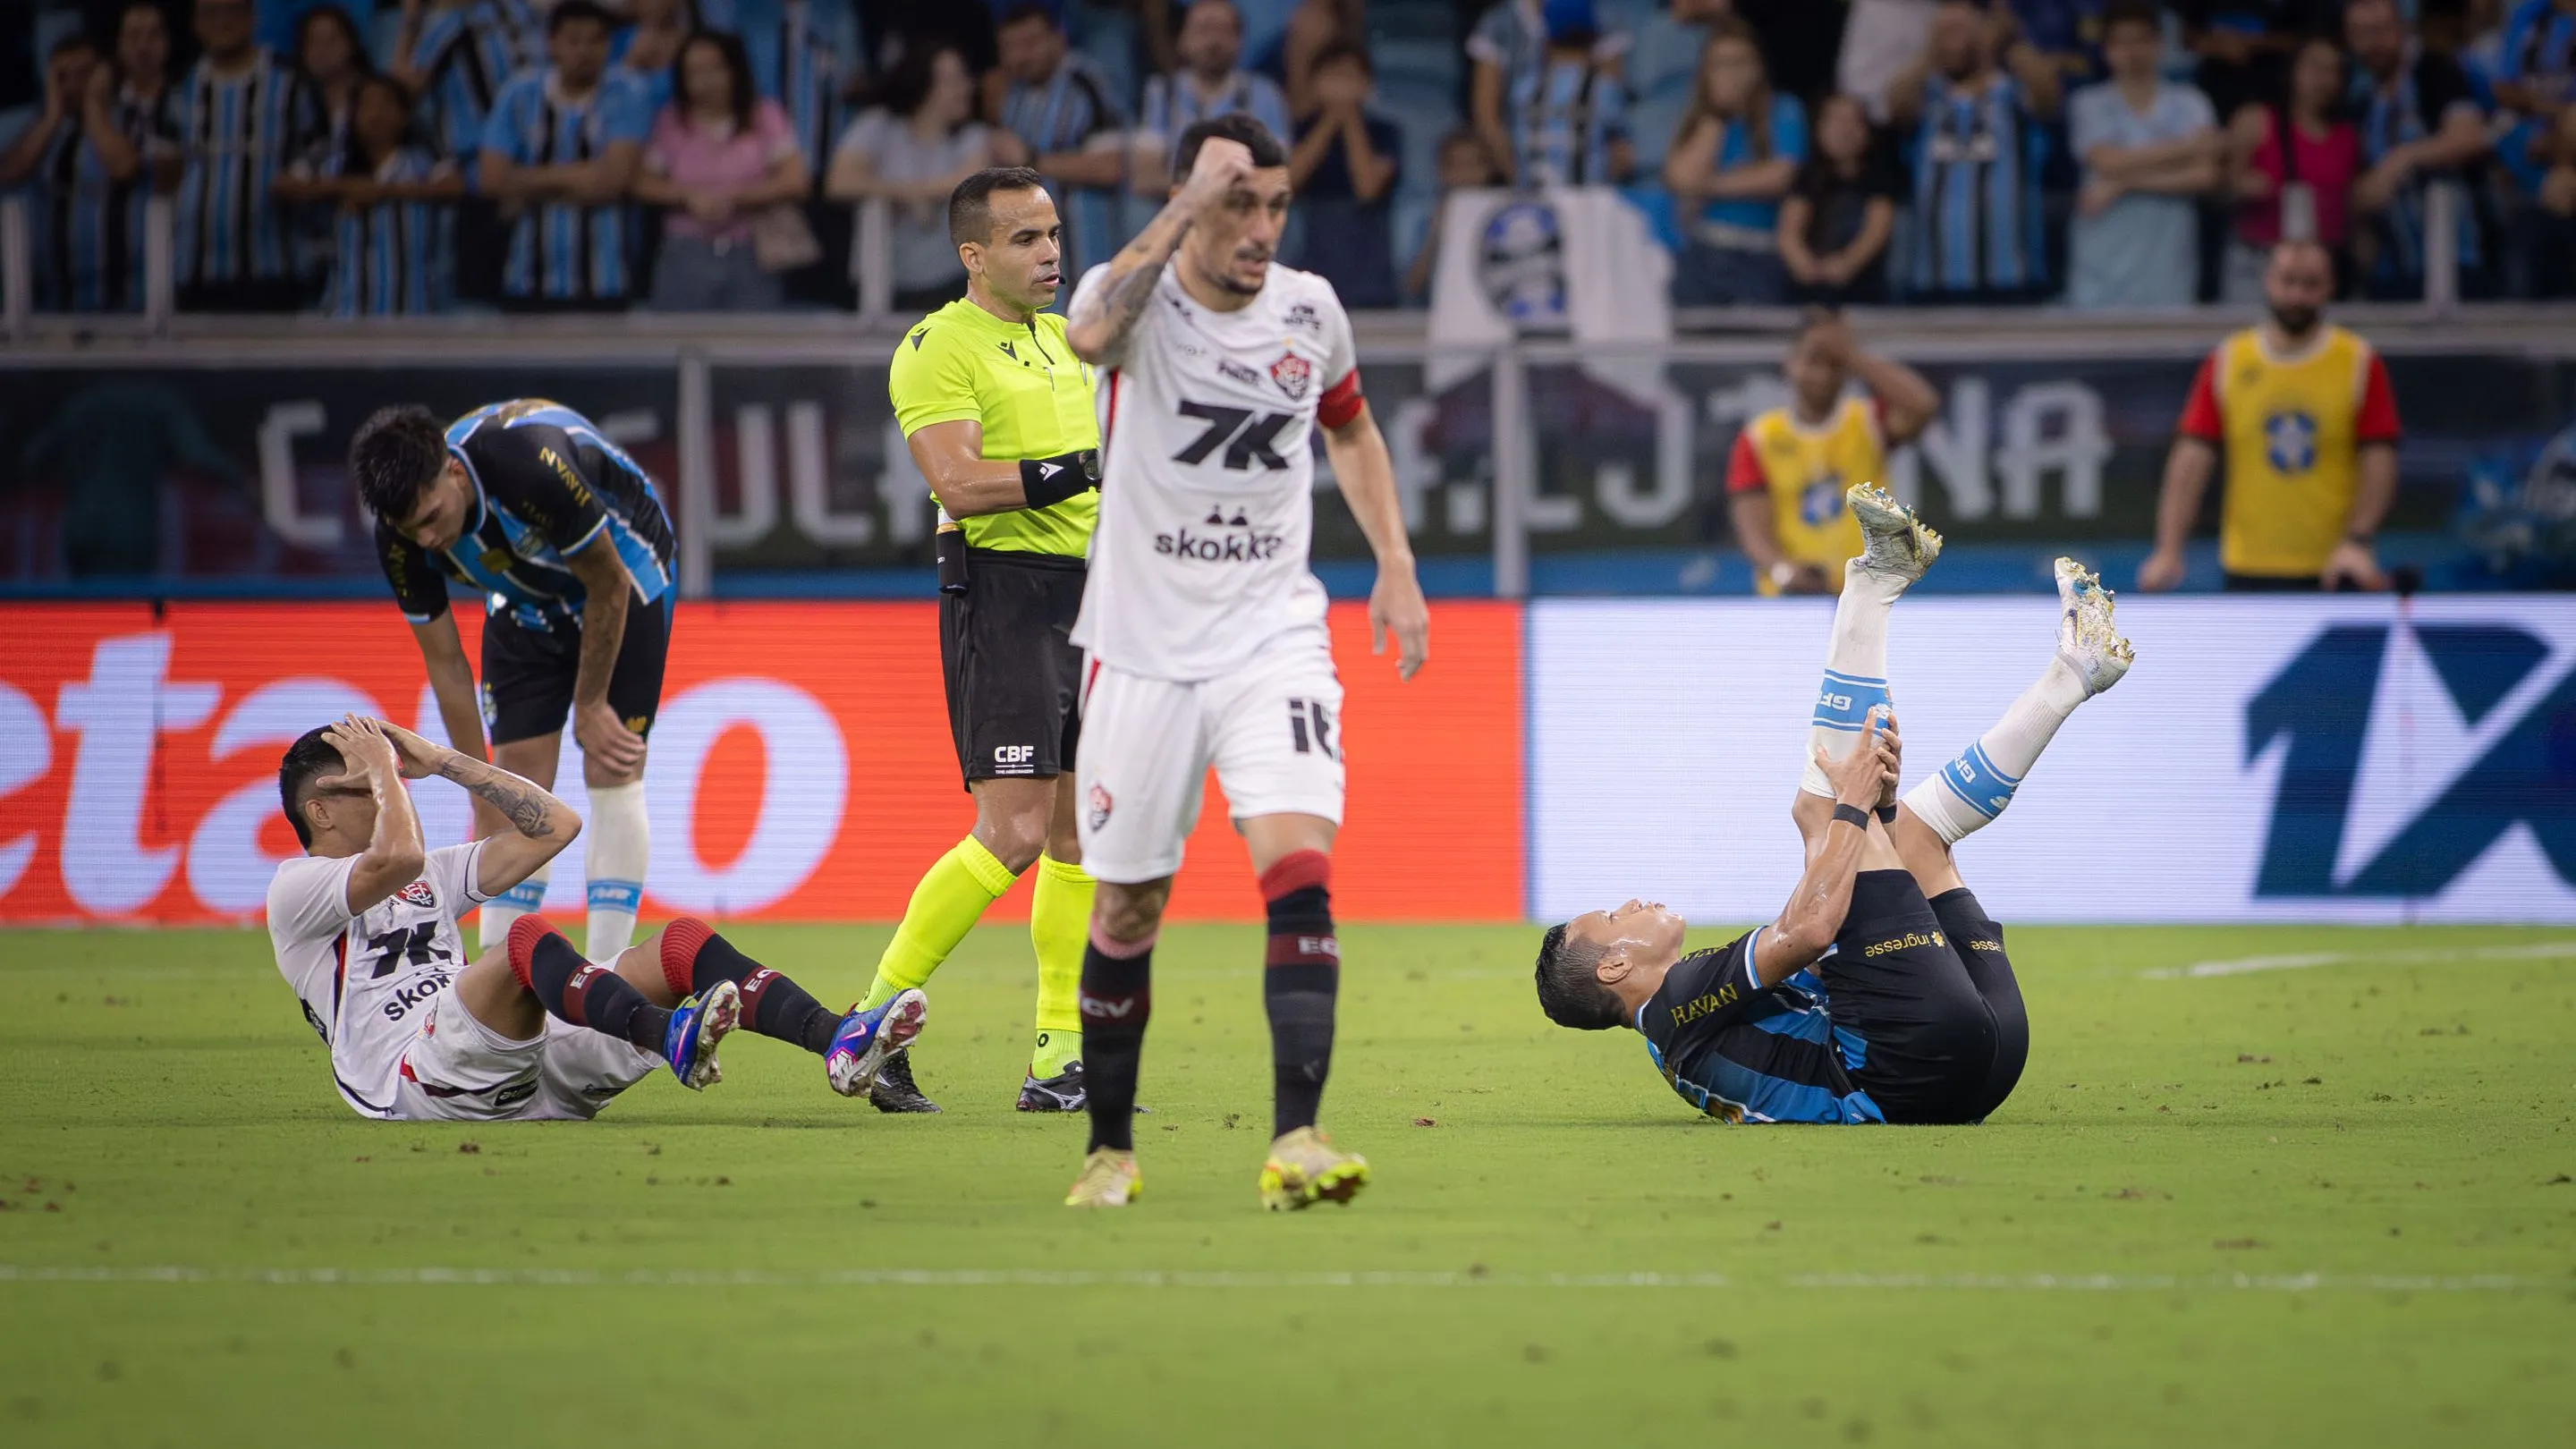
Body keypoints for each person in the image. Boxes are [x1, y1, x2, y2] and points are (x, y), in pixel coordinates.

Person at [1058, 114, 1431, 1210]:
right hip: (1138, 651)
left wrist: (1395, 563)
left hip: (1275, 635)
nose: (1262, 229)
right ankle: (1111, 1152)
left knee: (1300, 870)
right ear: (1189, 201)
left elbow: (1352, 431)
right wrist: (1184, 207)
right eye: (1239, 205)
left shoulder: (1311, 310)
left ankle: (1297, 1140)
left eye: (1274, 205)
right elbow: (1083, 336)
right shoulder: (1134, 305)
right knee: (1128, 907)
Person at [1533, 487, 2134, 1127]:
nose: (1630, 901)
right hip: (1908, 1061)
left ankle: (2073, 673)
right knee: (1816, 815)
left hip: (1975, 1063)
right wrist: (1852, 809)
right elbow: (1811, 933)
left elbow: (1840, 953)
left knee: (1916, 838)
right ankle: (1878, 578)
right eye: (1611, 914)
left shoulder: (1691, 1019)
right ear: (1615, 964)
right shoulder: (1675, 999)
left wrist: (1881, 812)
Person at [267, 714, 926, 1122]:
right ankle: (668, 1034)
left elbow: (557, 827)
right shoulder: (296, 889)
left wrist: (442, 763)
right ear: (319, 812)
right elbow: (398, 857)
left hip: (513, 1067)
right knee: (524, 940)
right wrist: (384, 765)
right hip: (417, 1077)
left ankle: (839, 1040)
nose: (389, 793)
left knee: (680, 946)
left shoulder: (429, 873)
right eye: (366, 790)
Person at [860, 167, 1103, 1116]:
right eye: (1025, 239)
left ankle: (1058, 1056)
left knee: (1081, 831)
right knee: (1010, 833)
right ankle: (869, 1023)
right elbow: (960, 484)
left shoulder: (1064, 340)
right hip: (1001, 592)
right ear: (974, 254)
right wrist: (1084, 465)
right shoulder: (936, 347)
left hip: (1096, 599)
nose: (1050, 253)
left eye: (1053, 233)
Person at [346, 398, 674, 964]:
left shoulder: (529, 464)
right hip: (526, 598)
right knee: (510, 783)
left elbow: (607, 584)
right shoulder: (400, 537)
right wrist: (477, 784)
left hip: (627, 569)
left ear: (453, 470)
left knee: (611, 762)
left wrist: (591, 703)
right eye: (409, 529)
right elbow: (447, 664)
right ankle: (496, 991)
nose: (425, 540)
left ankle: (607, 979)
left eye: (430, 519)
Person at [2139, 239, 2400, 593]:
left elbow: (2379, 459)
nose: (2296, 296)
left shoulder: (2358, 361)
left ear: (2330, 287)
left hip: (2333, 568)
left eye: (2310, 285)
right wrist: (2168, 550)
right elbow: (2191, 459)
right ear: (2268, 282)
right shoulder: (2229, 360)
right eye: (2288, 281)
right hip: (2248, 563)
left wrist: (2358, 539)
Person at [1724, 311, 1939, 595]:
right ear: (1790, 365)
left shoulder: (1867, 422)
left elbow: (1922, 406)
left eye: (1834, 365)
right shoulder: (1759, 437)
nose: (1823, 375)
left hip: (1865, 592)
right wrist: (1784, 571)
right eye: (1813, 361)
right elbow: (1752, 528)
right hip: (1792, 597)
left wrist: (1853, 356)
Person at [477, 0, 651, 312]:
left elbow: (613, 181)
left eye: (596, 40)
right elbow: (491, 180)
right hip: (526, 277)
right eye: (574, 40)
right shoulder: (518, 93)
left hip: (606, 280)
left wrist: (526, 182)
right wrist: (584, 175)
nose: (585, 51)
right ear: (552, 43)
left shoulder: (628, 92)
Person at [1889, 0, 2063, 303]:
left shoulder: (2012, 96)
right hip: (1935, 277)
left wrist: (2010, 41)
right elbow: (1896, 105)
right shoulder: (1927, 97)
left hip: (2011, 275)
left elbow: (2048, 96)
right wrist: (1932, 51)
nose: (1952, 39)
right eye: (1943, 31)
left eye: (1960, 30)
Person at [635, 30, 809, 310]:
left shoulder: (765, 115)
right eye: (695, 72)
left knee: (752, 346)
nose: (705, 81)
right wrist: (689, 198)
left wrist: (735, 198)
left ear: (735, 69)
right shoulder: (669, 121)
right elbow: (643, 183)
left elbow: (795, 180)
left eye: (715, 69)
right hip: (685, 252)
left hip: (753, 252)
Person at [2066, 0, 2223, 309]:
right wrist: (2189, 148)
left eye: (2141, 40)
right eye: (2121, 43)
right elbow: (2108, 162)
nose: (2132, 51)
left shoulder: (2191, 103)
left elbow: (2205, 176)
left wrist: (2123, 184)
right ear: (2106, 50)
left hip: (2168, 269)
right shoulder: (2089, 104)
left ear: (2159, 43)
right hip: (2101, 269)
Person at [174, 0, 326, 311]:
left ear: (250, 18)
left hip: (274, 268)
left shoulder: (290, 80)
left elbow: (319, 147)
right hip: (194, 270)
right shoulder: (180, 86)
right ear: (195, 24)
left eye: (231, 11)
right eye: (210, 14)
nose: (221, 22)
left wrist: (299, 176)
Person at [828, 45, 1000, 311]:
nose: (966, 88)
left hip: (954, 281)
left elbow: (968, 183)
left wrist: (915, 194)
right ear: (924, 83)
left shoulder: (972, 136)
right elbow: (840, 182)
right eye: (954, 80)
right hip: (887, 282)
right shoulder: (880, 125)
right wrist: (908, 194)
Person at [2345, 0, 2494, 299]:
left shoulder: (2434, 71)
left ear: (2403, 27)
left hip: (2457, 260)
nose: (2371, 43)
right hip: (2393, 267)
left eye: (2379, 31)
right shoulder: (2361, 99)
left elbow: (2470, 137)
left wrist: (2402, 159)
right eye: (2360, 34)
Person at [1665, 19, 1808, 306]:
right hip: (1703, 252)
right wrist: (1718, 117)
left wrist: (1707, 186)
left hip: (1759, 254)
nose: (1732, 73)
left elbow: (1779, 176)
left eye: (1740, 62)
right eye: (1721, 64)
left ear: (1758, 67)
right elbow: (1681, 179)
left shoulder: (1784, 109)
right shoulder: (1699, 121)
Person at [987, 4, 1126, 280]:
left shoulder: (1086, 84)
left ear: (1057, 39)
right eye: (1010, 47)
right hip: (1033, 258)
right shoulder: (1013, 94)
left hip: (1088, 255)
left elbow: (1112, 166)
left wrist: (1030, 159)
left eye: (1030, 43)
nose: (1020, 56)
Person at [2222, 32, 2361, 302]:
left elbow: (2352, 204)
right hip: (2259, 262)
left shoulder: (2348, 137)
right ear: (2293, 71)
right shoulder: (2256, 121)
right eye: (2316, 68)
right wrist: (2241, 187)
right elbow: (2220, 189)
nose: (2325, 79)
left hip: (2321, 266)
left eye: (2334, 71)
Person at [309, 73, 463, 315]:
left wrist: (381, 191)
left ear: (404, 115)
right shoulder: (334, 166)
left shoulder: (423, 164)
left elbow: (455, 187)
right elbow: (287, 185)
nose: (376, 113)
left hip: (414, 309)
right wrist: (345, 187)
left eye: (385, 104)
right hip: (347, 309)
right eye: (366, 105)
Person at [1285, 41, 1401, 309]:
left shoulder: (1386, 133)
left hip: (1367, 251)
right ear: (1315, 83)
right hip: (1313, 247)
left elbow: (1368, 188)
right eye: (1333, 75)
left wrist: (1348, 117)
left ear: (1367, 85)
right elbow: (1289, 183)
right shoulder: (1301, 130)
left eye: (1350, 76)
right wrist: (1330, 120)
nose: (1342, 85)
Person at [1134, 0, 1292, 194]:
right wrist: (1212, 190)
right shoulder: (1162, 92)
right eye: (1203, 29)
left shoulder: (1265, 94)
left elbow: (1279, 175)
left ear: (1239, 41)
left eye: (1224, 30)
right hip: (1178, 212)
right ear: (1183, 39)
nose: (1214, 41)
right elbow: (1144, 179)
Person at [0, 37, 110, 312]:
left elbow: (125, 167)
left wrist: (93, 108)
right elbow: (10, 172)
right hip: (48, 294)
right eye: (62, 76)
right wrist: (52, 117)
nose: (72, 85)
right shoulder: (34, 128)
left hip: (117, 288)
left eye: (83, 74)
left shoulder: (120, 121)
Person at [1470, 0, 1633, 182]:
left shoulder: (1523, 90)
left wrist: (1518, 180)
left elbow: (1494, 127)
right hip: (1590, 197)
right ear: (1594, 45)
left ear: (1545, 43)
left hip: (1532, 194)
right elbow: (1622, 155)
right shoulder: (1605, 91)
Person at [1779, 90, 1901, 305]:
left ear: (1867, 132)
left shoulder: (1880, 177)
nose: (1844, 130)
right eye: (1835, 121)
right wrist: (1803, 264)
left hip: (1864, 288)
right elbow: (1789, 233)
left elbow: (1876, 231)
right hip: (1810, 287)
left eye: (1854, 122)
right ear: (1818, 129)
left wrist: (1846, 264)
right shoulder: (1806, 176)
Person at [1405, 129, 1497, 301]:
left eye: (1473, 164)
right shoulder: (1423, 219)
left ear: (1489, 169)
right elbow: (1412, 286)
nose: (1466, 174)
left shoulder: (1502, 217)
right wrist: (1435, 235)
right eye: (1457, 165)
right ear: (1441, 171)